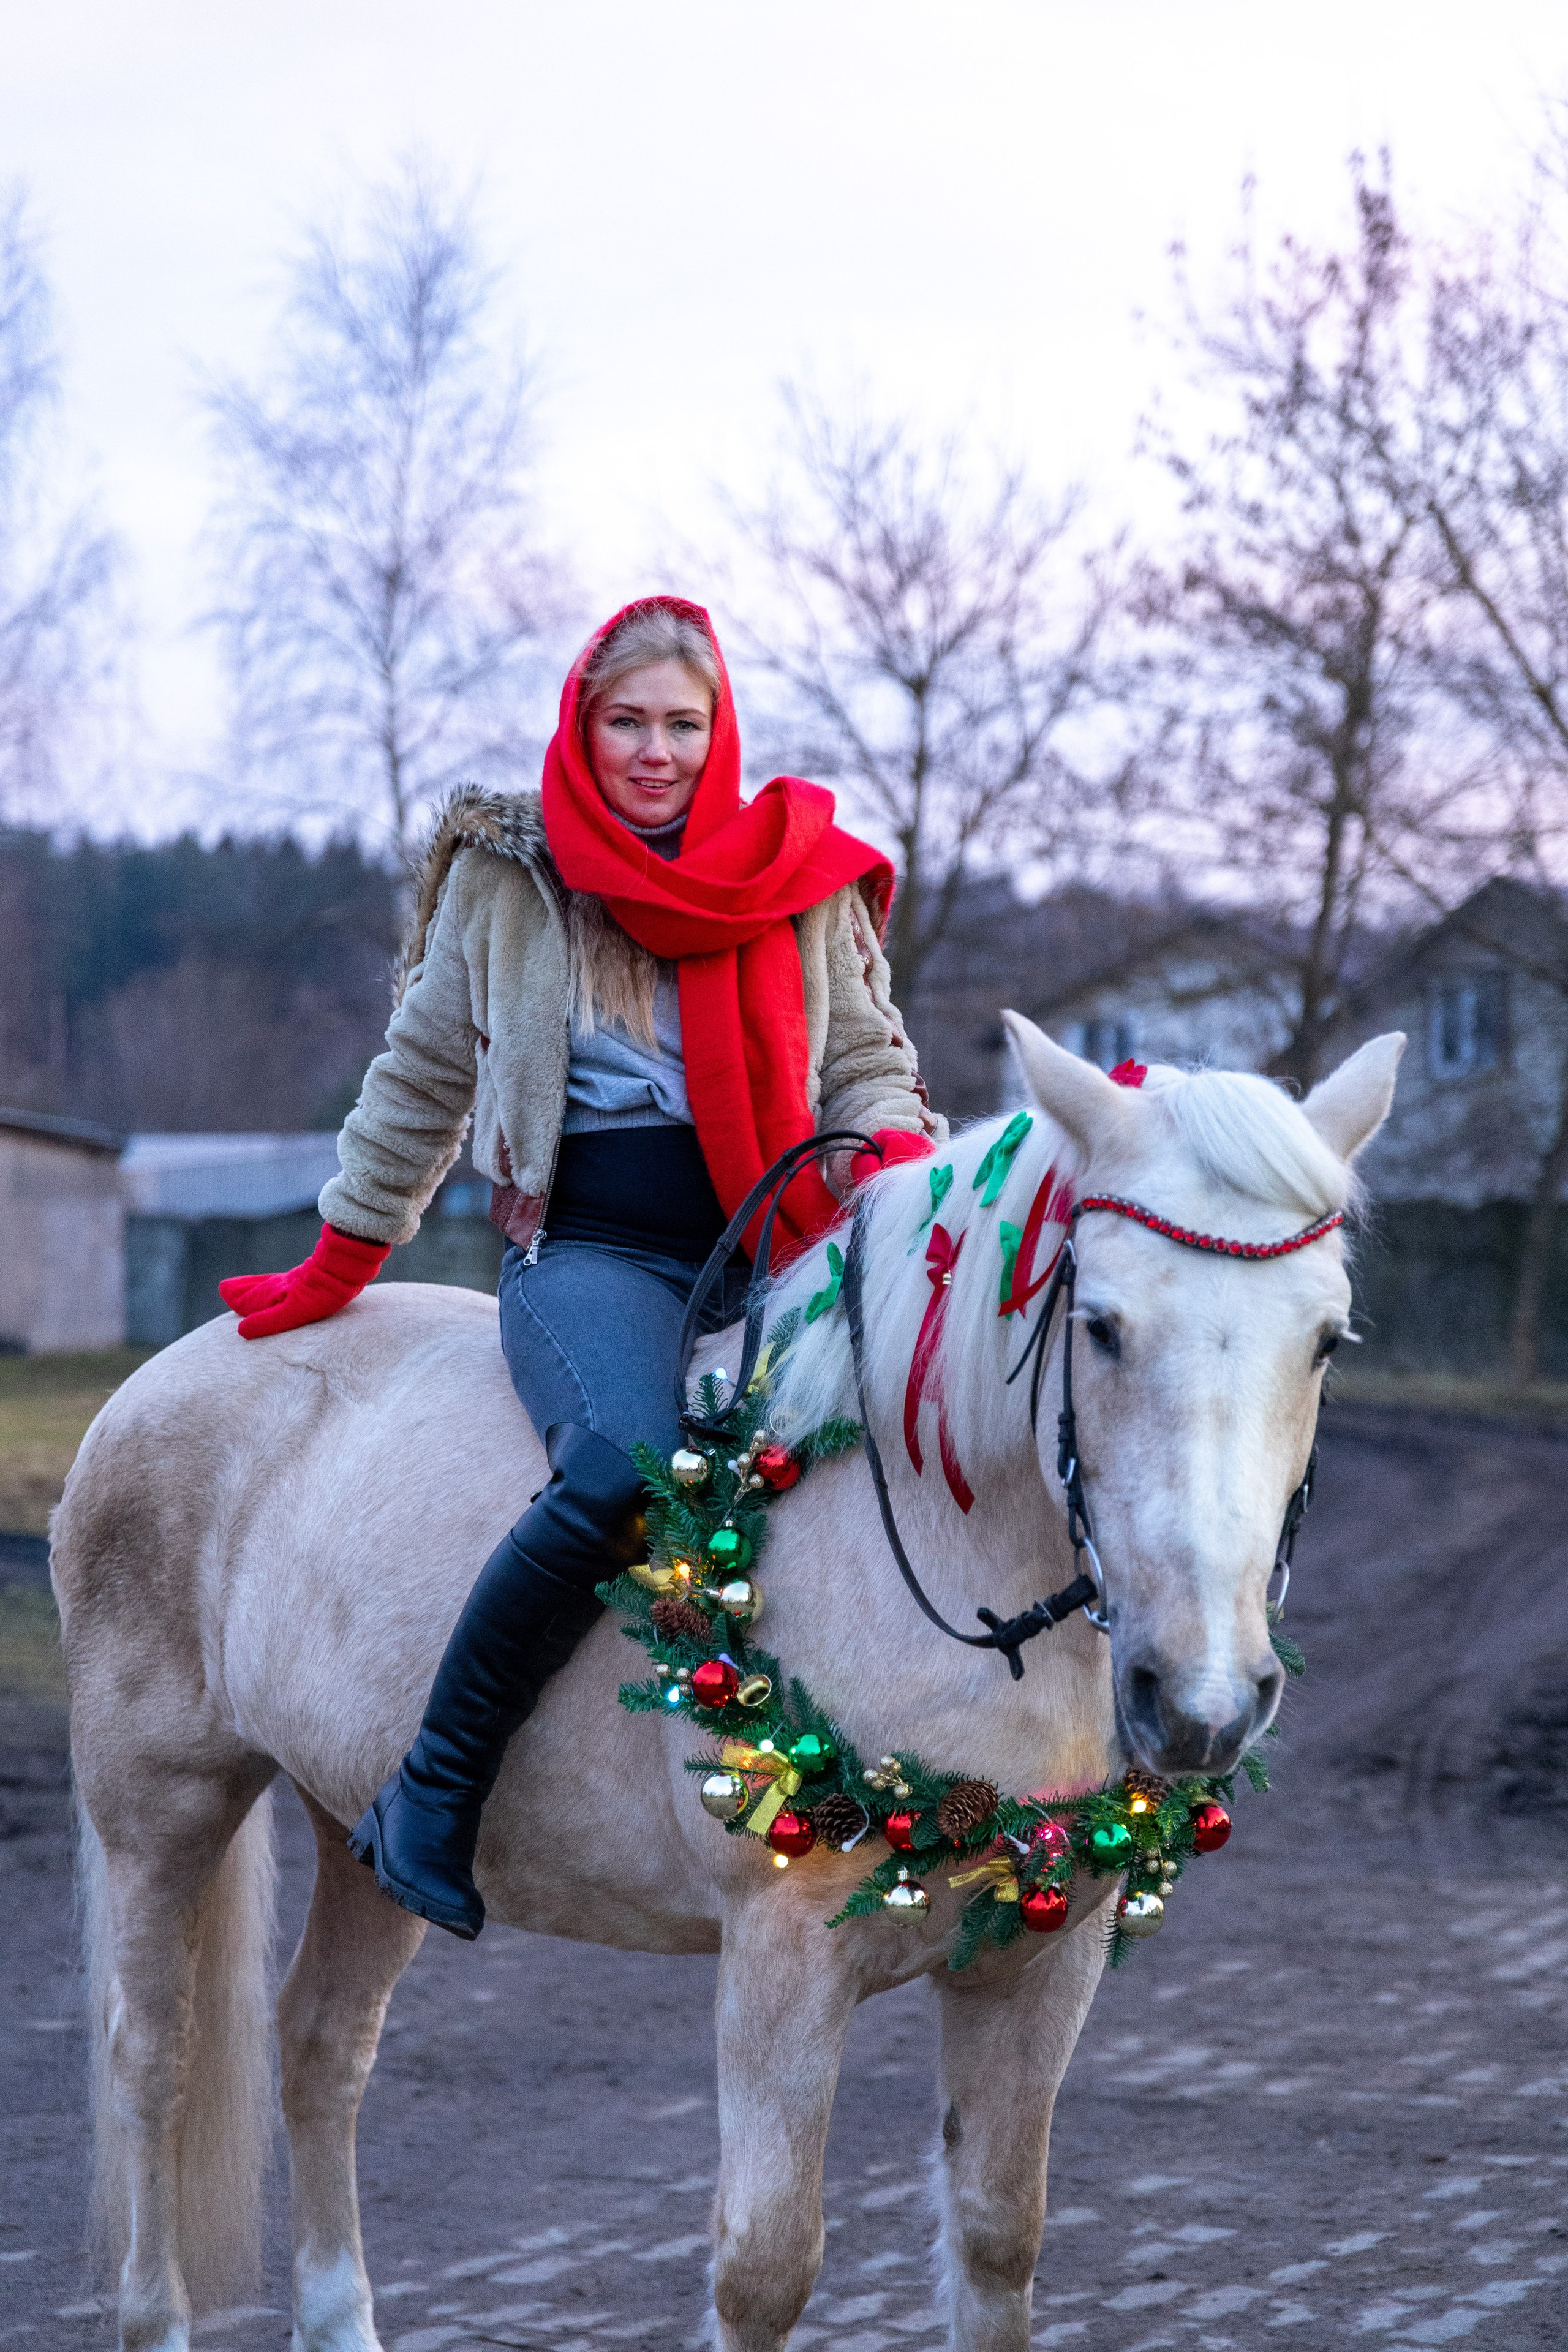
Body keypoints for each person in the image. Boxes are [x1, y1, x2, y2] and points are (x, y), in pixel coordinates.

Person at [218, 597, 944, 1939]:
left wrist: (887, 1163)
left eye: (684, 723)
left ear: (719, 733)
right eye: (628, 723)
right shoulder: (515, 878)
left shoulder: (801, 874)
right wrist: (336, 1260)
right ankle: (431, 1791)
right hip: (596, 1254)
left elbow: (864, 1067)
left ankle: (917, 1791)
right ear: (581, 724)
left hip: (775, 1251)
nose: (656, 751)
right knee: (620, 1472)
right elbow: (423, 1077)